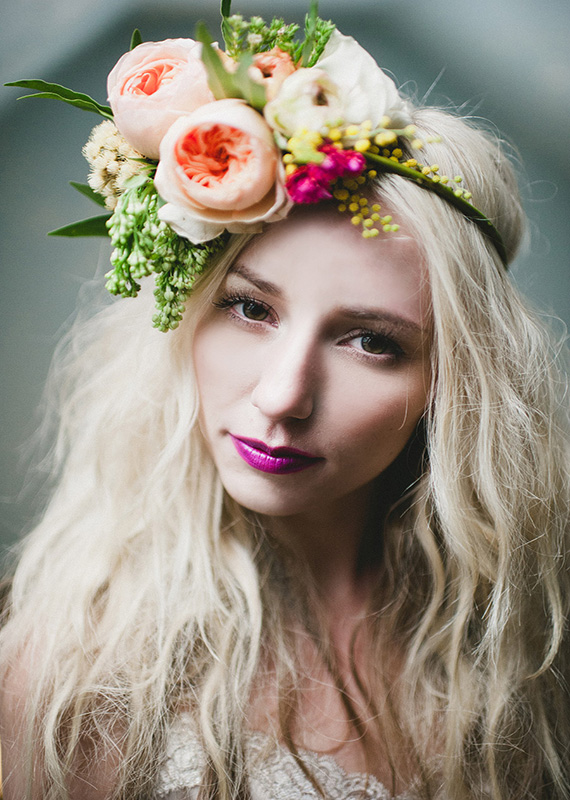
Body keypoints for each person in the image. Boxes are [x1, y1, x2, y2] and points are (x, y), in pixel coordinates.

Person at [1, 5, 569, 799]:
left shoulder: (524, 652)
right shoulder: (77, 671)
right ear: (186, 316)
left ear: (453, 381)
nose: (282, 396)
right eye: (250, 308)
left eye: (372, 341)